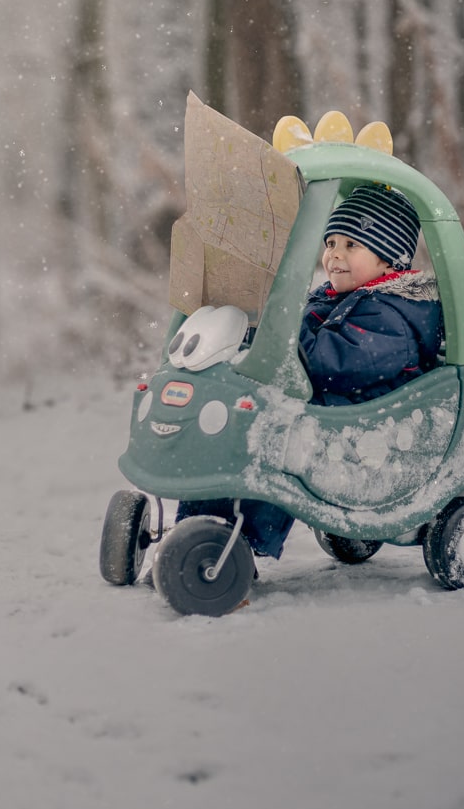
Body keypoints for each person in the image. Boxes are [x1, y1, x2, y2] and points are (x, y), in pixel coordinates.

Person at [183, 182, 445, 560]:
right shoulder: (335, 296)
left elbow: (328, 364)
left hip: (366, 423)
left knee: (274, 433)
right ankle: (198, 519)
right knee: (233, 409)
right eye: (331, 243)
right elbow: (296, 342)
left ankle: (238, 538)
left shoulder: (392, 315)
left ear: (389, 259)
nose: (335, 255)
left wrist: (283, 325)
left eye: (351, 245)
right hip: (332, 404)